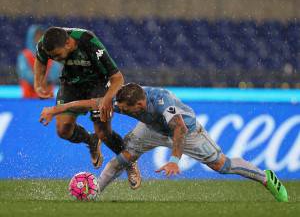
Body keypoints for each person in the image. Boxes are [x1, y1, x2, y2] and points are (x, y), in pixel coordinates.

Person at [39, 83, 289, 202]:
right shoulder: (126, 98)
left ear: (140, 105)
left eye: (125, 110)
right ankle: (94, 194)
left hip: (187, 132)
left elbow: (178, 129)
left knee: (221, 165)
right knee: (124, 156)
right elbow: (92, 103)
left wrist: (174, 160)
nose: (120, 111)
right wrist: (56, 109)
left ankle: (266, 178)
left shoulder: (163, 102)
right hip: (151, 130)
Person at [34, 27, 141, 189]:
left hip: (98, 83)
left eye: (57, 55)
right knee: (63, 130)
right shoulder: (45, 43)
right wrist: (38, 84)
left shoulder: (89, 41)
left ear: (69, 43)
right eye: (52, 56)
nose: (54, 59)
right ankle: (90, 140)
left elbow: (118, 78)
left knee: (104, 133)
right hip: (70, 83)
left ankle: (129, 162)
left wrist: (107, 98)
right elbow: (41, 61)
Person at [17, 25, 61, 98]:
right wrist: (39, 81)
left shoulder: (51, 54)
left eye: (41, 36)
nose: (39, 39)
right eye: (36, 36)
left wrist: (48, 79)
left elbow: (56, 70)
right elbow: (24, 72)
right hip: (29, 96)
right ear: (31, 38)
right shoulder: (24, 55)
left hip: (47, 95)